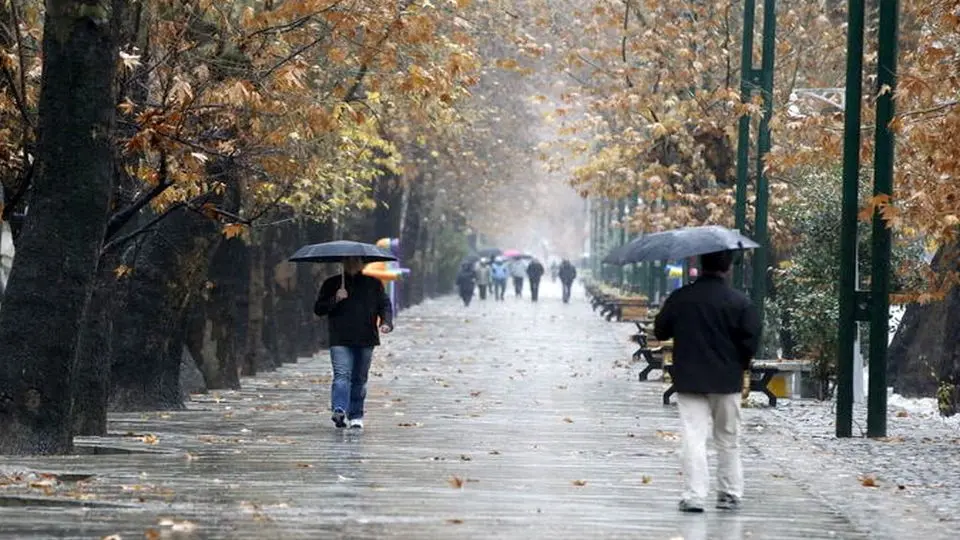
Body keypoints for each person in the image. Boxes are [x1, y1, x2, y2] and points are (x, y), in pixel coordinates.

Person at [653, 250, 761, 513]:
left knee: (693, 436)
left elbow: (660, 330)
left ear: (701, 265)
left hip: (690, 378)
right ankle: (729, 492)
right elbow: (751, 340)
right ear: (728, 269)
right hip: (727, 380)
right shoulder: (739, 301)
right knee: (728, 437)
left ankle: (694, 495)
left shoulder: (682, 298)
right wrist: (741, 362)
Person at [314, 256, 394, 430]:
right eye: (348, 261)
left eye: (355, 260)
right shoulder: (332, 283)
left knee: (359, 378)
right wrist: (336, 299)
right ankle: (339, 410)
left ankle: (356, 414)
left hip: (366, 338)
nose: (352, 264)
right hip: (340, 338)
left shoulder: (373, 283)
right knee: (341, 375)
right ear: (342, 263)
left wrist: (386, 322)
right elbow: (319, 309)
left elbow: (384, 305)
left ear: (361, 263)